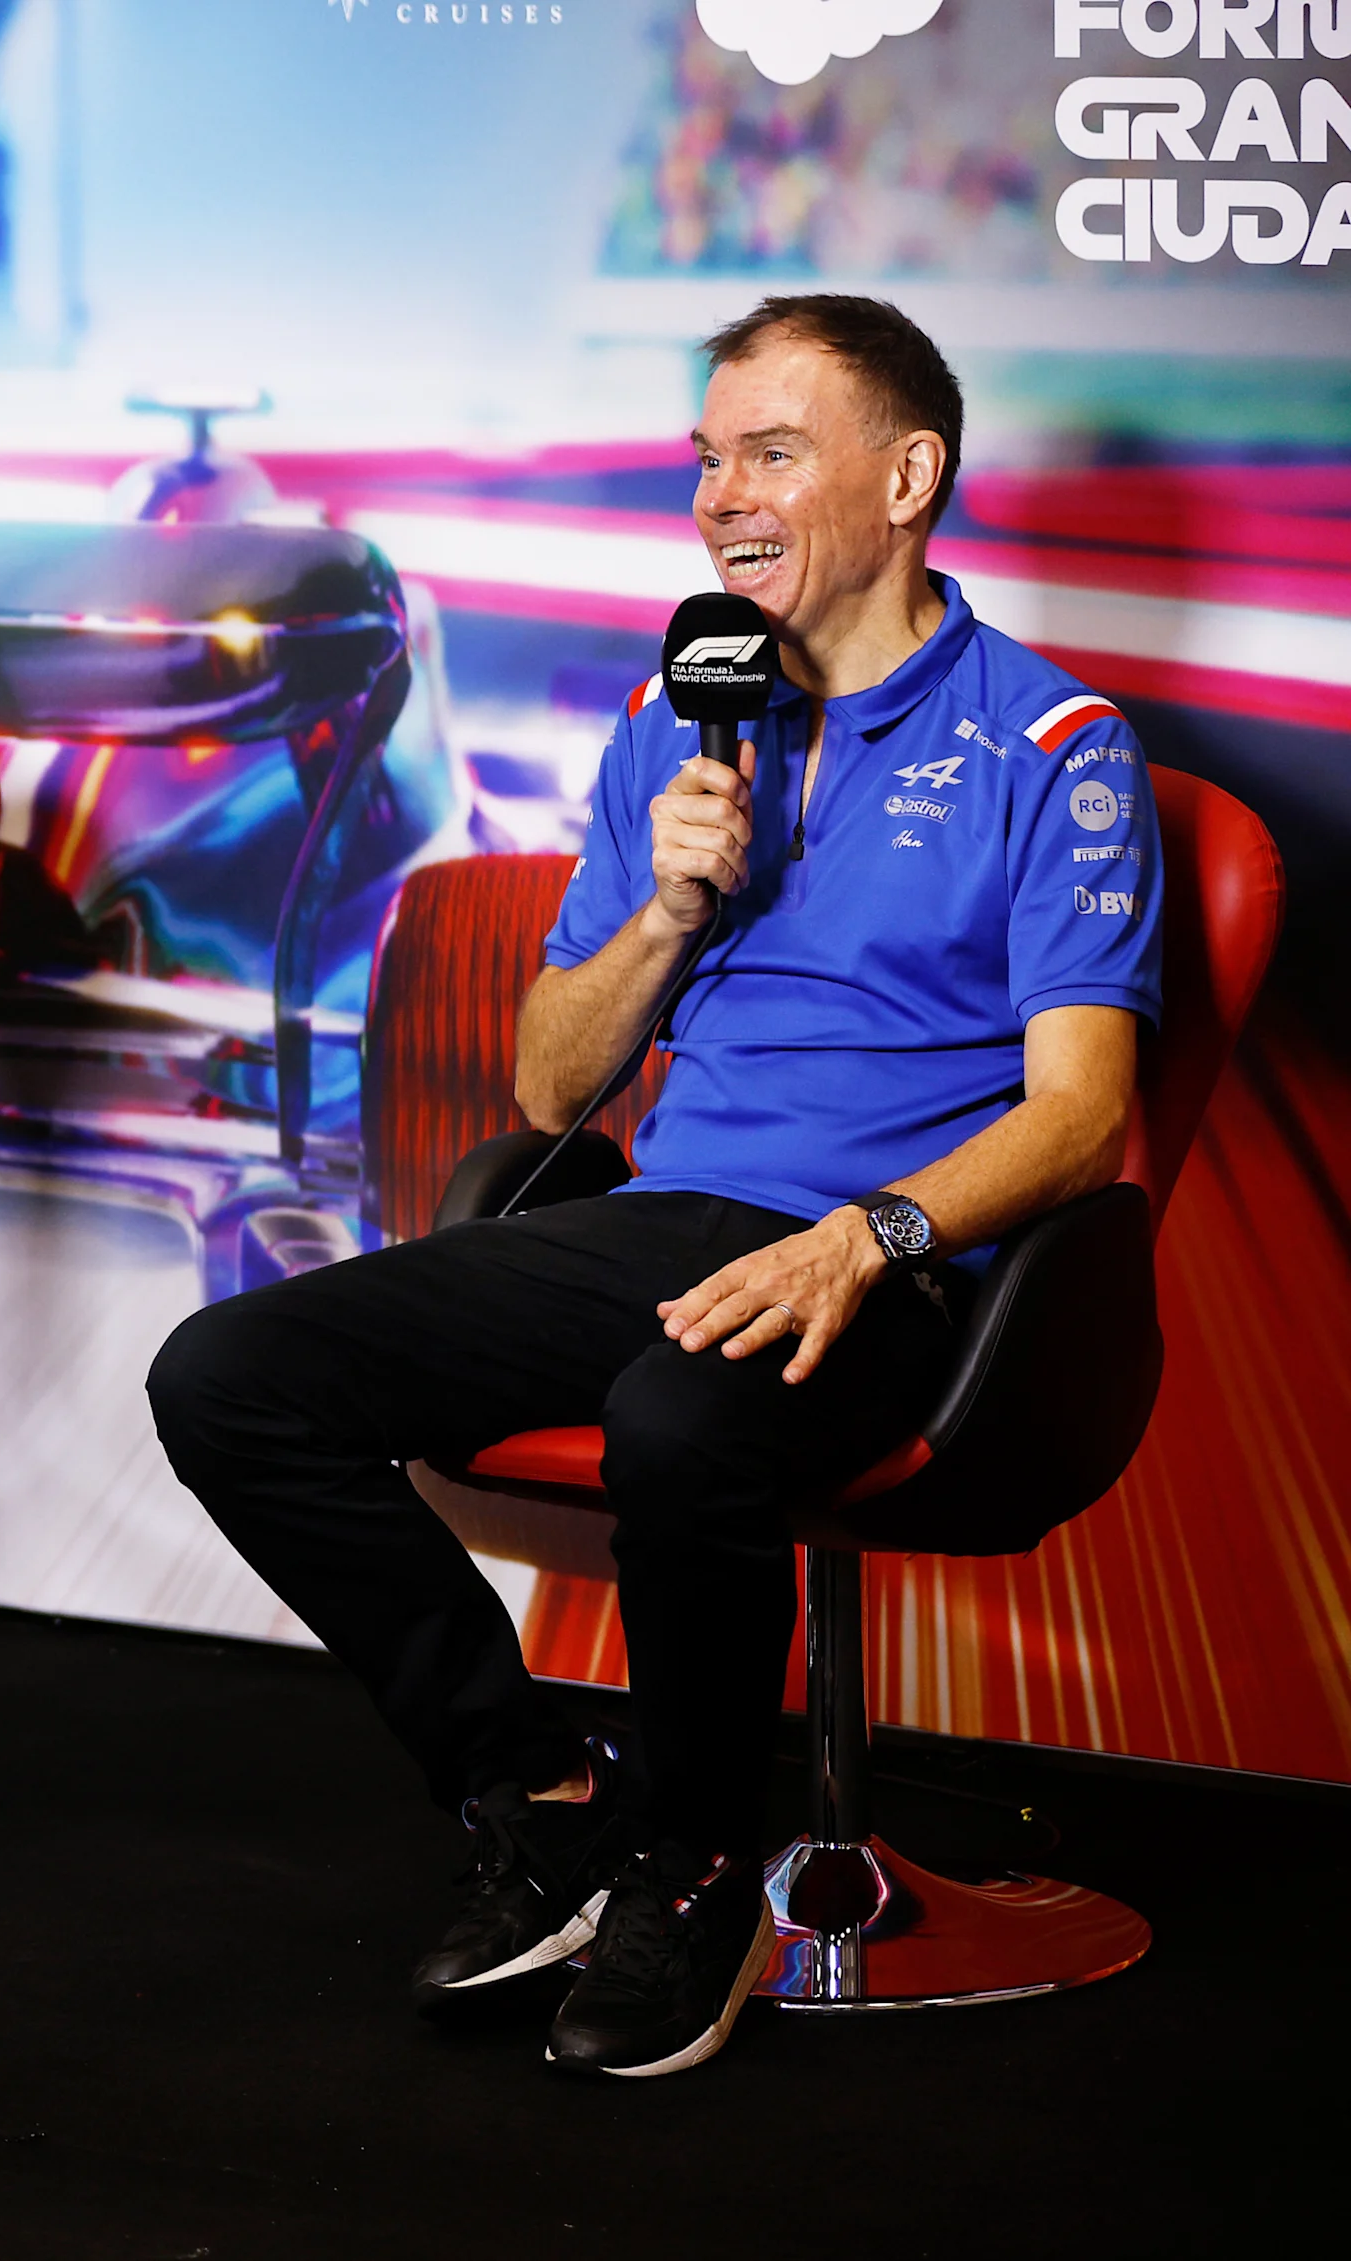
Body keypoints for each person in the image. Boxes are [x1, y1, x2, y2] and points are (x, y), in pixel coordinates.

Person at [145, 295, 1160, 2077]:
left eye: (772, 453)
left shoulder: (1057, 746)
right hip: (670, 1220)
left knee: (675, 1419)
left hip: (919, 1264)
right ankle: (539, 1790)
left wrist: (874, 1236)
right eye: (708, 457)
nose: (720, 497)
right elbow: (549, 1080)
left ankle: (692, 1871)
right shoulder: (678, 714)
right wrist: (671, 906)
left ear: (909, 476)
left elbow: (1084, 1116)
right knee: (230, 1380)